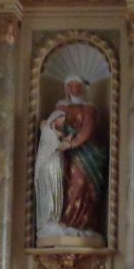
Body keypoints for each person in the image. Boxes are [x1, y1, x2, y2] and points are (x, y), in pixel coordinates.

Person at [41, 75, 108, 245]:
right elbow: (53, 126)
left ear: (82, 87)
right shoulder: (61, 107)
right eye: (70, 85)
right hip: (64, 154)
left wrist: (73, 144)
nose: (74, 88)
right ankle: (64, 222)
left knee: (81, 184)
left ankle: (83, 224)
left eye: (77, 85)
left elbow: (88, 130)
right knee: (62, 185)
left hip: (86, 154)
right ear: (66, 88)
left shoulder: (89, 108)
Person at [33, 109, 66, 240]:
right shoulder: (47, 132)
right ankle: (47, 220)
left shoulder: (52, 132)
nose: (62, 121)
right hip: (47, 166)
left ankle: (54, 220)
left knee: (56, 191)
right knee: (49, 192)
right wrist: (66, 143)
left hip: (55, 166)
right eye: (61, 118)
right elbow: (56, 146)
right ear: (55, 118)